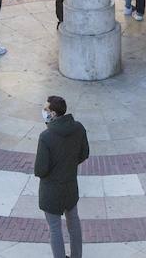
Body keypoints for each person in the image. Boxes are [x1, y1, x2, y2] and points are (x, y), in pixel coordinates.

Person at [34, 95, 89, 258]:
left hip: (51, 190)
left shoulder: (46, 137)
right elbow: (84, 154)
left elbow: (40, 170)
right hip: (70, 186)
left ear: (53, 113)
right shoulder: (78, 128)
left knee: (55, 228)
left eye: (46, 109)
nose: (44, 112)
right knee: (74, 224)